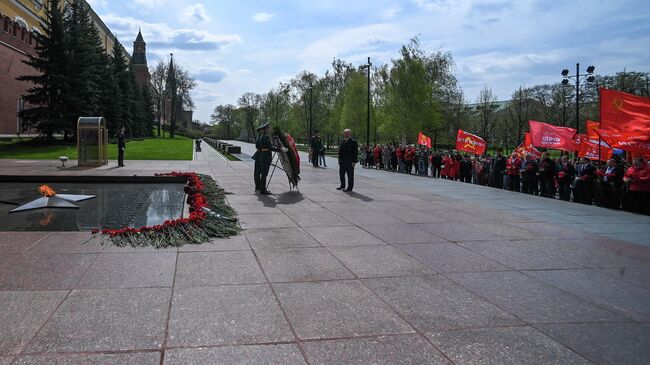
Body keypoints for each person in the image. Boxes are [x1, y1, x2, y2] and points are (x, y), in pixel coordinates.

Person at [253, 122, 284, 195]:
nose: (269, 129)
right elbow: (270, 148)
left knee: (262, 173)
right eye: (268, 128)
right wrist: (280, 149)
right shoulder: (266, 137)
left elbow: (266, 146)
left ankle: (261, 188)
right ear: (265, 129)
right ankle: (263, 190)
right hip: (266, 157)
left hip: (262, 156)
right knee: (264, 174)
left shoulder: (261, 137)